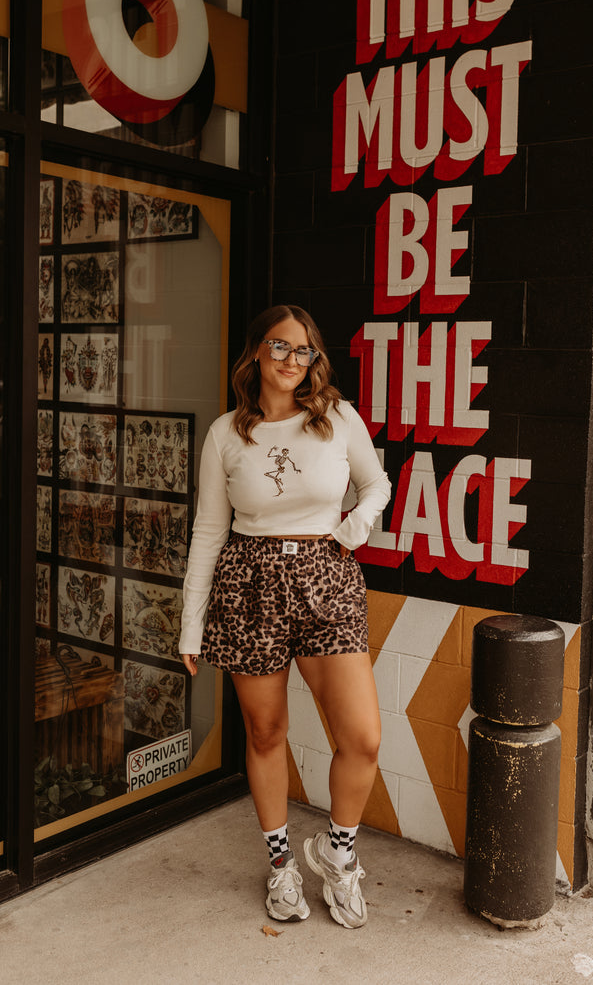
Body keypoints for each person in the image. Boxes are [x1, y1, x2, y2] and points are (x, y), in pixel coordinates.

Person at [179, 304, 391, 929]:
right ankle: (280, 866)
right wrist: (191, 624)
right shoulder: (226, 433)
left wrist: (354, 529)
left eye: (304, 352)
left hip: (328, 579)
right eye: (280, 347)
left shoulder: (337, 419)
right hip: (249, 585)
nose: (292, 361)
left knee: (362, 737)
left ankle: (337, 852)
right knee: (267, 734)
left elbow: (375, 484)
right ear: (255, 354)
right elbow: (209, 532)